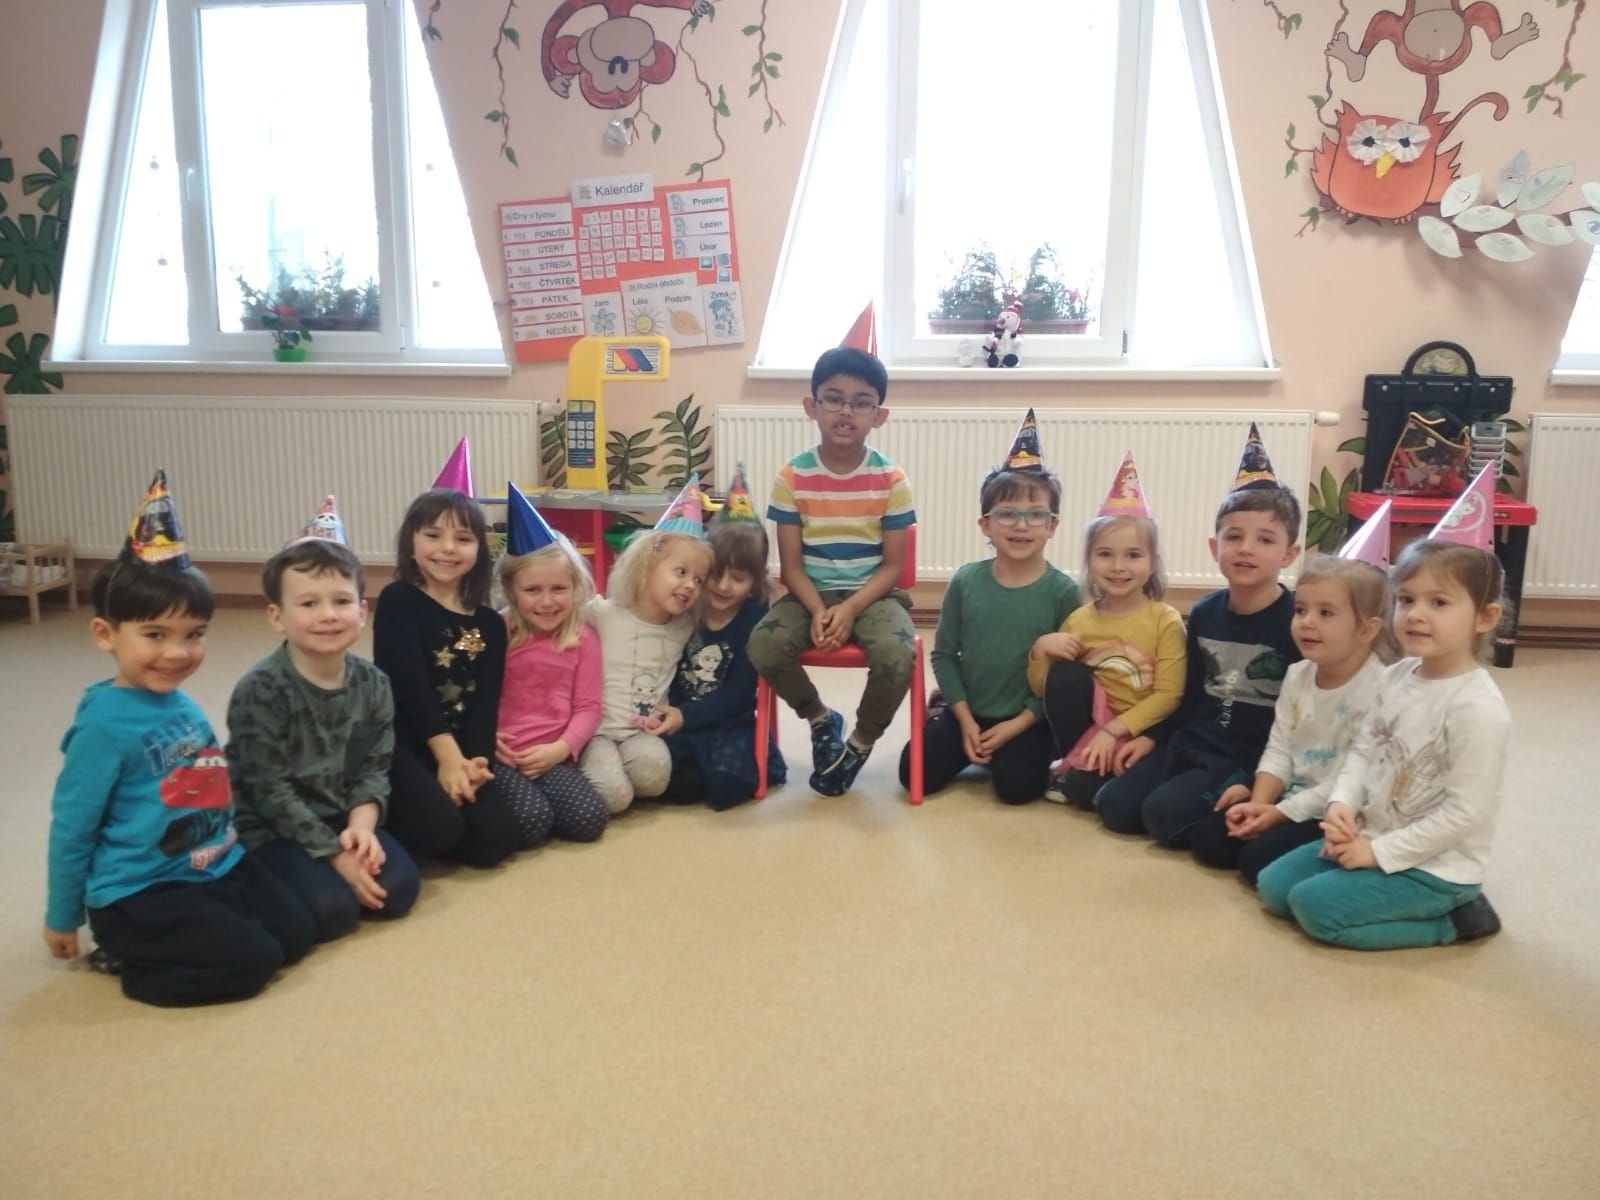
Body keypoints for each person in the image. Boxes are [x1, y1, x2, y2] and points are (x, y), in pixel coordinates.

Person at [43, 472, 314, 1006]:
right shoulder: (101, 728)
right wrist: (62, 915)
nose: (177, 653)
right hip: (142, 891)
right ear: (105, 634)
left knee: (297, 934)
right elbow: (72, 828)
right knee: (254, 961)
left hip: (214, 863)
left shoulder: (181, 703)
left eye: (194, 635)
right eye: (155, 635)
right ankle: (130, 962)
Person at [1258, 473, 1511, 948]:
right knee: (1273, 888)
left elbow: (1464, 813)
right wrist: (1341, 806)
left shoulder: (1477, 708)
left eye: (1439, 602)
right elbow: (1362, 754)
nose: (1416, 614)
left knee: (1315, 911)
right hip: (1370, 833)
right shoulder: (1396, 678)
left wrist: (1377, 853)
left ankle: (1457, 920)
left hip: (1435, 867)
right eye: (1407, 600)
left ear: (1485, 617)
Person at [1094, 425, 1303, 846]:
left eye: (1265, 540)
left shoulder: (1296, 621)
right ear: (1214, 547)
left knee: (1162, 817)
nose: (1246, 548)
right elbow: (1188, 696)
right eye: (1234, 537)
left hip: (1246, 755)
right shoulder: (1205, 612)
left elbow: (1299, 718)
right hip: (1193, 740)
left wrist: (1260, 781)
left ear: (1289, 554)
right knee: (1113, 806)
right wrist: (1152, 738)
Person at [227, 498, 421, 943]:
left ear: (362, 611)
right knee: (331, 911)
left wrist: (361, 829)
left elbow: (373, 768)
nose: (328, 615)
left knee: (399, 890)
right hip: (272, 828)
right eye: (309, 603)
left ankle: (336, 862)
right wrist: (335, 855)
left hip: (340, 816)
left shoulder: (373, 684)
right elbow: (269, 791)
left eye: (341, 601)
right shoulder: (260, 689)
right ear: (277, 617)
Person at [747, 345, 917, 796]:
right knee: (763, 644)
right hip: (810, 593)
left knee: (898, 654)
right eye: (834, 399)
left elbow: (893, 567)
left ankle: (859, 743)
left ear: (879, 415)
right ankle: (821, 718)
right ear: (812, 406)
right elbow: (791, 567)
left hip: (874, 595)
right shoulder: (792, 477)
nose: (846, 412)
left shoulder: (892, 480)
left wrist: (850, 609)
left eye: (862, 403)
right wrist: (821, 609)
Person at [899, 411, 1079, 803]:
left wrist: (1018, 725)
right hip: (969, 709)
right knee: (911, 772)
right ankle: (943, 709)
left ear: (1053, 525)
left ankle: (1027, 747)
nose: (1021, 525)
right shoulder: (966, 581)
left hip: (1026, 718)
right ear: (985, 524)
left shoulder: (1064, 592)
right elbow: (944, 654)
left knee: (1017, 788)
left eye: (1036, 515)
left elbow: (1064, 679)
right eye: (1007, 514)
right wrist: (964, 720)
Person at [1188, 547, 1394, 884]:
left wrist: (1280, 813)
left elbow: (1353, 779)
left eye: (1326, 613)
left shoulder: (1379, 688)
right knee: (1210, 841)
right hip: (1291, 794)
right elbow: (1280, 747)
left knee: (1254, 861)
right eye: (1301, 610)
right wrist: (1259, 804)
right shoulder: (1298, 674)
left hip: (1340, 807)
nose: (1307, 622)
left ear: (1367, 630)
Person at [373, 461, 521, 868]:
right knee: (439, 830)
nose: (448, 548)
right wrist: (446, 758)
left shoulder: (489, 623)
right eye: (433, 535)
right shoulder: (399, 600)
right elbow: (409, 689)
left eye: (463, 538)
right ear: (411, 543)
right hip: (403, 743)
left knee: (497, 840)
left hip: (461, 749)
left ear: (479, 550)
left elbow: (485, 703)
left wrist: (475, 764)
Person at [1027, 452, 1185, 809]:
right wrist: (1040, 651)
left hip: (1141, 731)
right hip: (1092, 732)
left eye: (1133, 555)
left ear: (1152, 563)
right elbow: (1046, 690)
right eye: (1105, 555)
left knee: (1097, 797)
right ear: (1089, 561)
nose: (1118, 567)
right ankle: (1078, 762)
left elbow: (1169, 696)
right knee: (1065, 676)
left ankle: (1088, 774)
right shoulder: (1079, 621)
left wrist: (1115, 732)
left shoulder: (1166, 621)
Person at [580, 477, 713, 813]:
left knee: (655, 778)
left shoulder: (683, 627)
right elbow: (560, 613)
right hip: (597, 732)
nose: (689, 585)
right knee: (614, 797)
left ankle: (616, 775)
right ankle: (593, 774)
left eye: (698, 579)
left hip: (643, 733)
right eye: (680, 572)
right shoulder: (605, 613)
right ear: (646, 566)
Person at [658, 466, 788, 810]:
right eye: (715, 574)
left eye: (738, 578)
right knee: (664, 775)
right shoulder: (688, 603)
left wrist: (687, 716)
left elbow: (740, 694)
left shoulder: (755, 618)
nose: (723, 586)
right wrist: (675, 714)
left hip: (729, 721)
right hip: (678, 717)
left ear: (756, 580)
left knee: (723, 782)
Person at [493, 488, 611, 845]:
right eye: (532, 590)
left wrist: (560, 749)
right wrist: (486, 740)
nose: (547, 602)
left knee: (590, 820)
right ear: (511, 591)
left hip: (553, 755)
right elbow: (476, 696)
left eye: (558, 588)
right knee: (532, 822)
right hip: (501, 756)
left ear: (576, 588)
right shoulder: (498, 632)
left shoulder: (583, 638)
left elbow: (588, 707)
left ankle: (538, 806)